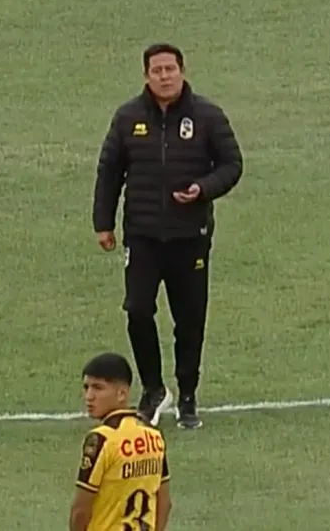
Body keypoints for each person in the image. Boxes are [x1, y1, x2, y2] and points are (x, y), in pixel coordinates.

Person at [92, 43, 244, 429]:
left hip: (189, 236)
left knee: (189, 320)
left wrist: (203, 189)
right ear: (146, 76)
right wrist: (103, 223)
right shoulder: (127, 118)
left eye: (170, 69)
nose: (164, 76)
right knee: (138, 310)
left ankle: (188, 395)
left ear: (182, 71)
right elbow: (109, 170)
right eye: (157, 70)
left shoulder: (207, 116)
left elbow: (232, 164)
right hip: (142, 236)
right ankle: (154, 390)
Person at [71, 352, 172, 531]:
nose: (89, 396)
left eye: (98, 388)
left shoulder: (101, 439)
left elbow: (81, 509)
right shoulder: (154, 435)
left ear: (122, 394)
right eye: (86, 387)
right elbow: (164, 503)